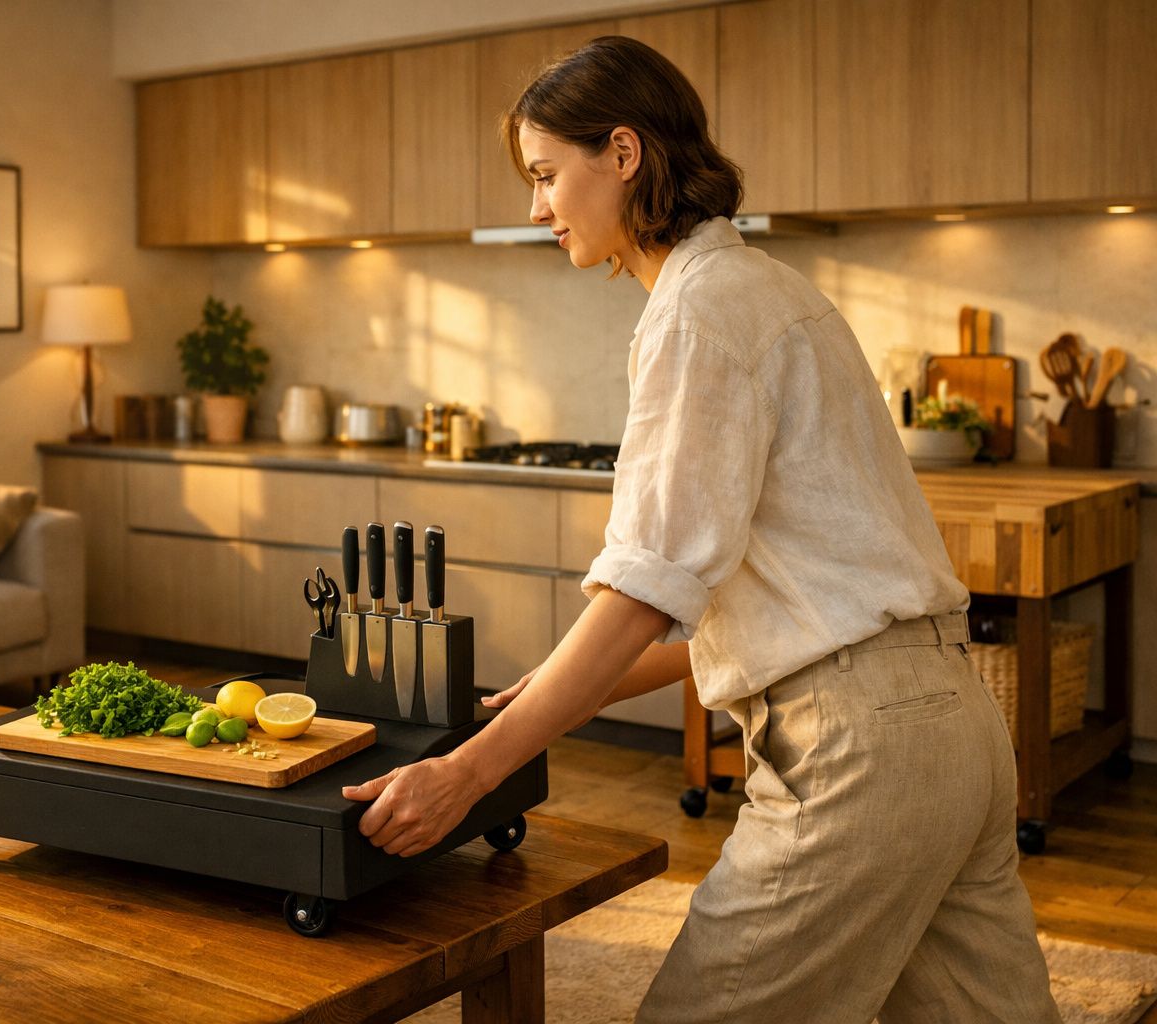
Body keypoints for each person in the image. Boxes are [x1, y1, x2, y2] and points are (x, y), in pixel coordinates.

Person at [342, 35, 1060, 1024]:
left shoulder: (694, 316)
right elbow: (794, 603)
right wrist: (546, 689)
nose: (537, 208)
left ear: (624, 153)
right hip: (952, 733)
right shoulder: (774, 291)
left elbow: (645, 594)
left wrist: (467, 773)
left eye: (547, 174)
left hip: (858, 761)